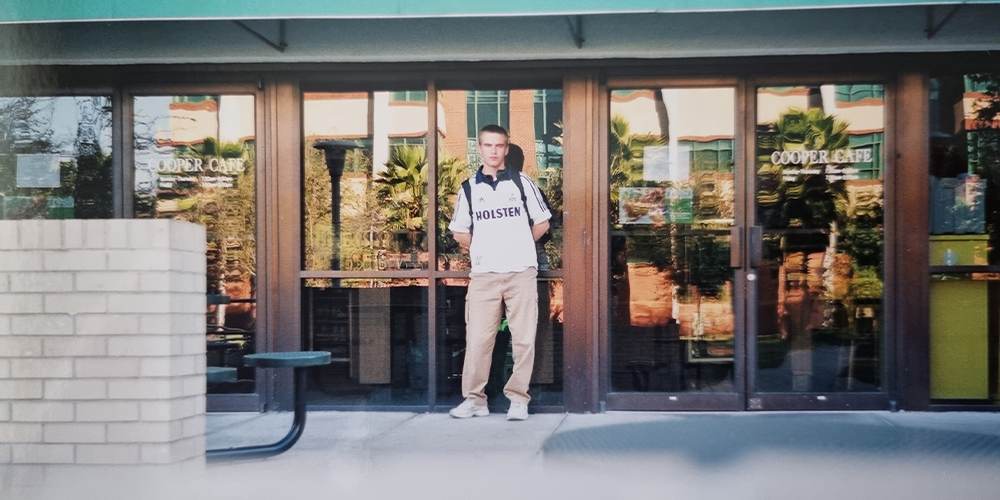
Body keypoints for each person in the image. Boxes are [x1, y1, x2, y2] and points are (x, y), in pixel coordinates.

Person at [448, 124, 551, 421]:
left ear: (506, 149)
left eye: (499, 146)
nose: (493, 151)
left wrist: (516, 243)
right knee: (479, 339)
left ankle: (519, 400)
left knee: (523, 339)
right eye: (488, 145)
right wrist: (487, 246)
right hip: (484, 275)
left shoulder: (522, 182)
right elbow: (459, 232)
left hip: (520, 273)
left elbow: (543, 223)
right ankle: (475, 400)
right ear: (479, 148)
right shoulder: (468, 188)